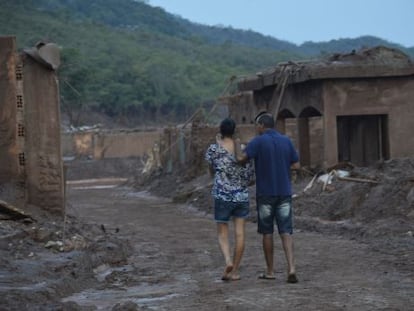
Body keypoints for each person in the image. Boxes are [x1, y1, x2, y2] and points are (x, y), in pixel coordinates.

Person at [238, 112, 300, 283]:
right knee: (286, 231)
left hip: (265, 194)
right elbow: (296, 164)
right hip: (284, 193)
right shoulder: (286, 141)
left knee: (267, 232)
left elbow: (242, 158)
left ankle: (271, 271)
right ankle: (291, 268)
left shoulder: (257, 141)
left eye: (256, 126)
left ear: (261, 126)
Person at [205, 118, 254, 281]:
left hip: (222, 195)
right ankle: (235, 271)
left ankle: (228, 261)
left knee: (222, 232)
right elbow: (249, 176)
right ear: (234, 131)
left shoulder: (213, 149)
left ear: (220, 130)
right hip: (241, 196)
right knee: (240, 234)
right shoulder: (243, 149)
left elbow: (211, 170)